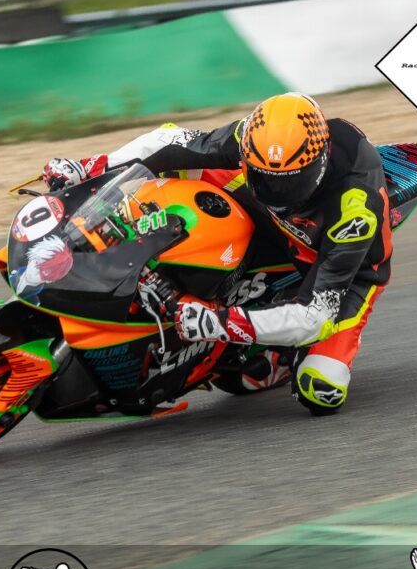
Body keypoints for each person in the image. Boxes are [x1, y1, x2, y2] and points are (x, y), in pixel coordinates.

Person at [42, 93, 397, 416]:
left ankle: (266, 341)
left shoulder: (355, 212)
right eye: (266, 177)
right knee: (180, 161)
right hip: (274, 219)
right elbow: (173, 140)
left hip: (337, 266)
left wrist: (216, 322)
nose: (276, 190)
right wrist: (90, 167)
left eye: (289, 182)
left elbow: (314, 316)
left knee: (320, 390)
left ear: (319, 164)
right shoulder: (253, 138)